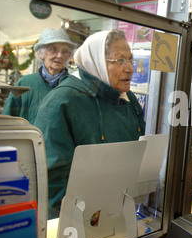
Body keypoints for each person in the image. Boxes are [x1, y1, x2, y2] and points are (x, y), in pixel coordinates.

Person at [34, 29, 146, 218]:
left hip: (119, 210)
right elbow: (52, 179)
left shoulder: (128, 100)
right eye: (119, 60)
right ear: (97, 63)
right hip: (75, 219)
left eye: (130, 60)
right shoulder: (62, 103)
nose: (129, 68)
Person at [2, 28, 75, 123]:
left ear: (69, 55)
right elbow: (6, 120)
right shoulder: (24, 84)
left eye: (65, 51)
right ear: (42, 53)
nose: (60, 55)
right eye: (53, 49)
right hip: (27, 138)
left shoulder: (74, 86)